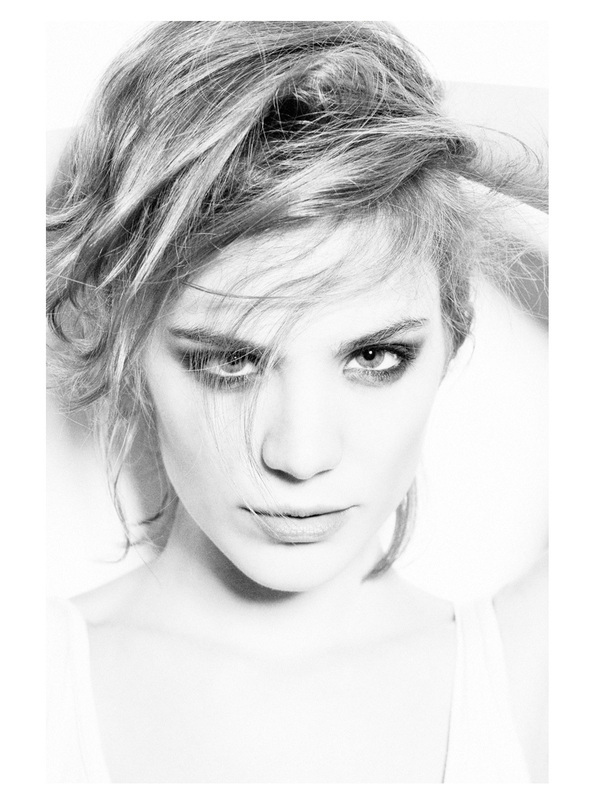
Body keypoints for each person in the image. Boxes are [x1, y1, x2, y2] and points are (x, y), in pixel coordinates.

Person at [46, 21, 548, 783]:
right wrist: (174, 140)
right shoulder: (28, 678)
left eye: (375, 356)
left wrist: (362, 113)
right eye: (229, 361)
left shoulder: (538, 675)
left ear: (453, 336)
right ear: (126, 345)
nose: (301, 455)